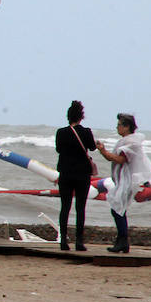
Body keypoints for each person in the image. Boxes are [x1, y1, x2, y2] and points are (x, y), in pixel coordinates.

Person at [95, 112, 151, 253]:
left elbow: (121, 159)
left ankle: (122, 241)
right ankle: (122, 241)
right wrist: (103, 151)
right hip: (122, 179)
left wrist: (103, 151)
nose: (117, 128)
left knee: (117, 209)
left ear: (127, 127)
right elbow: (114, 158)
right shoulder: (128, 140)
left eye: (119, 125)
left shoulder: (131, 142)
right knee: (118, 210)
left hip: (126, 180)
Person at [54, 100, 97, 251]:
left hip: (65, 173)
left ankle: (63, 242)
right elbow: (92, 148)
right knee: (80, 208)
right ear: (81, 117)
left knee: (64, 207)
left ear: (68, 117)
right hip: (82, 174)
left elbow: (59, 149)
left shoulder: (61, 132)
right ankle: (79, 242)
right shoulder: (86, 132)